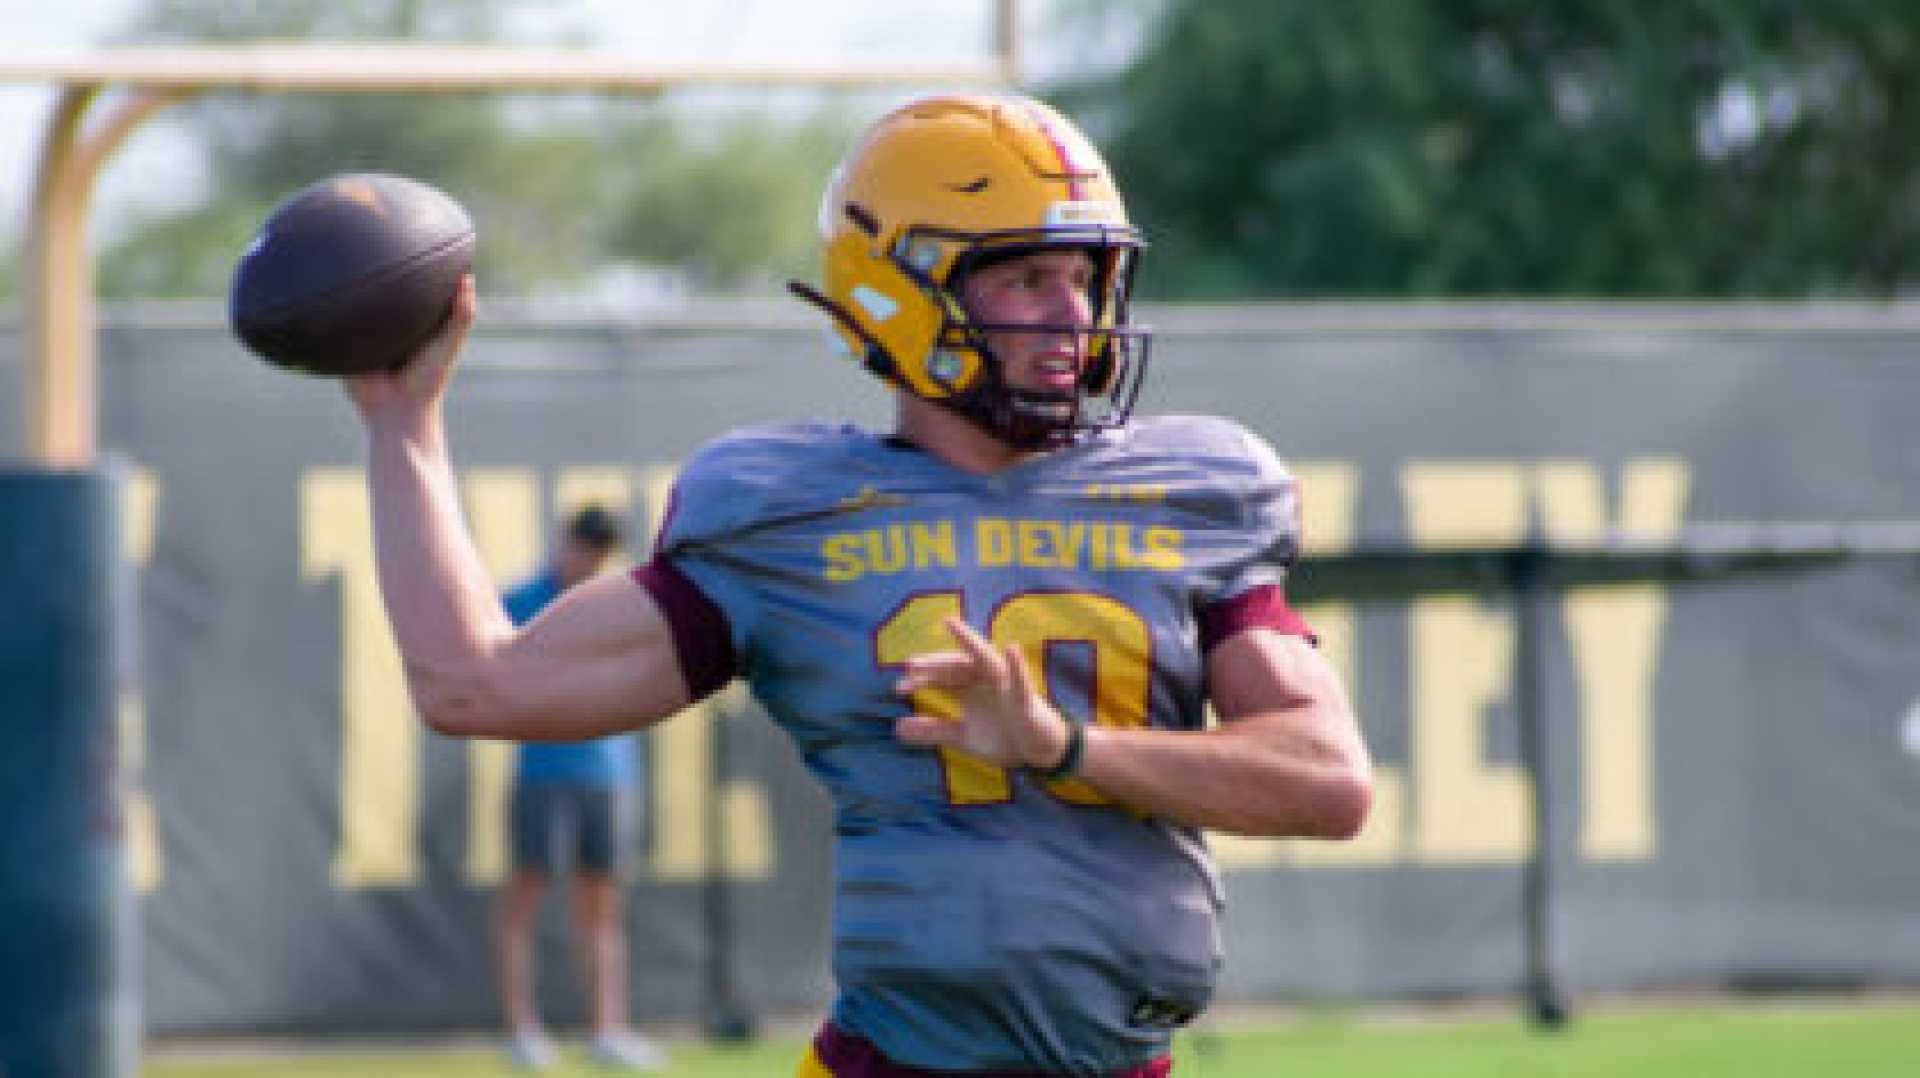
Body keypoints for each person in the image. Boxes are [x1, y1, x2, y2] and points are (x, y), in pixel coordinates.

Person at [348, 93, 1371, 1076]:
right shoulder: (788, 516)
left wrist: (1064, 744)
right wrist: (404, 426)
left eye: (1085, 278)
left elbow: (1328, 780)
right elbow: (475, 684)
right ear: (900, 292)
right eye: (1026, 281)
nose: (1073, 316)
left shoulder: (1192, 488)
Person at [491, 505, 664, 1071]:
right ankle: (521, 1029)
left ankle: (606, 1030)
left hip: (610, 774)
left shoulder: (616, 600)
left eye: (599, 549)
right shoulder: (521, 599)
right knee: (525, 900)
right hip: (542, 773)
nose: (587, 558)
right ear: (563, 540)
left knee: (602, 909)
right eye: (582, 545)